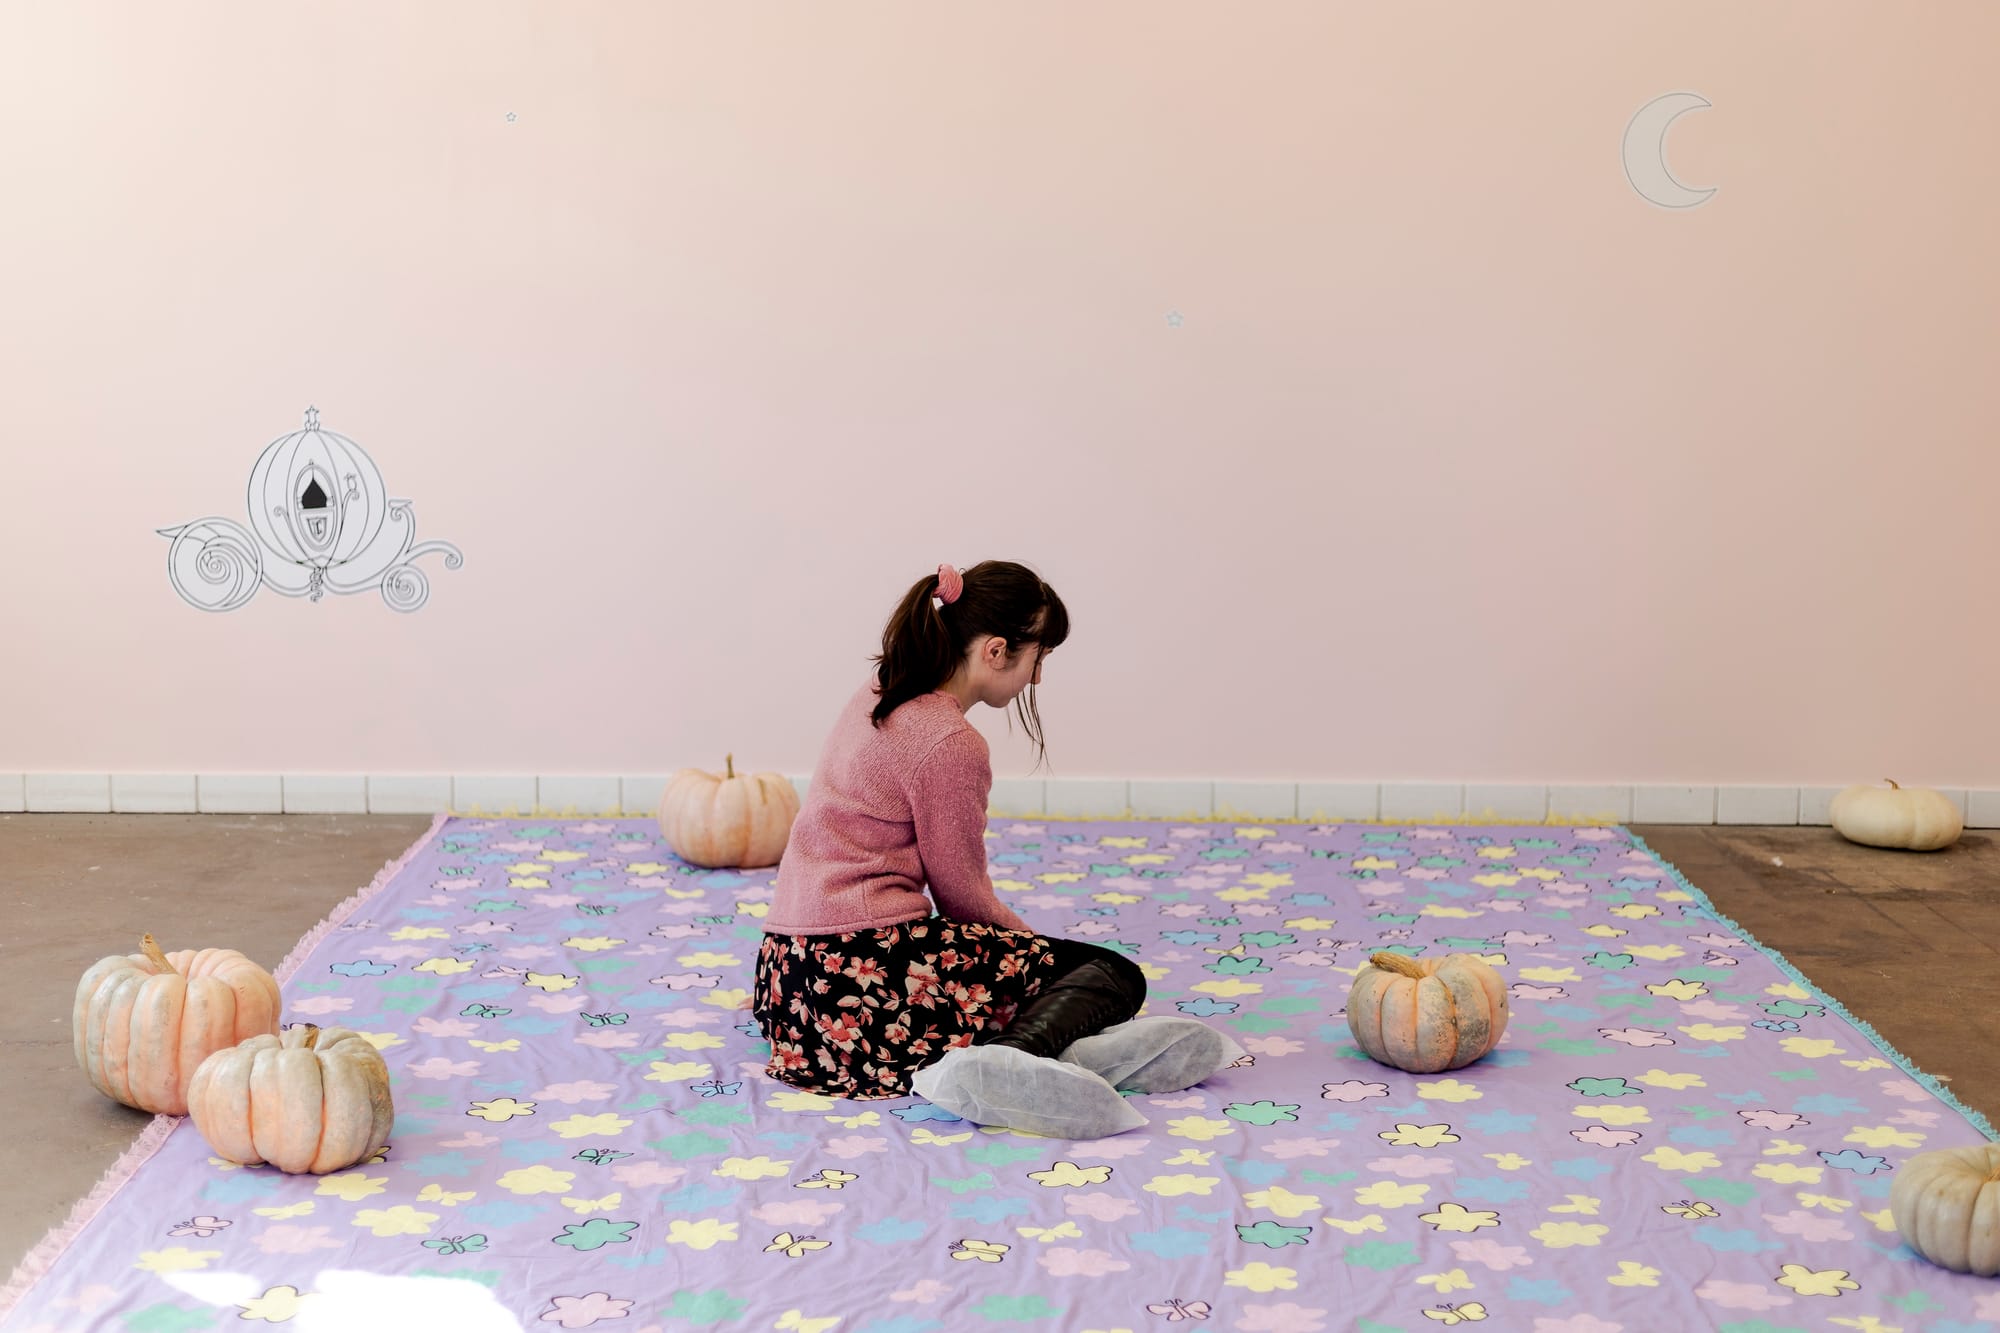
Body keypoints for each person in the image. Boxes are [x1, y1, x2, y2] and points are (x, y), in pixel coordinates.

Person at [752, 560, 1241, 1139]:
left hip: (793, 984)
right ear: (996, 651)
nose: (1036, 679)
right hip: (867, 978)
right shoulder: (949, 741)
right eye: (1041, 658)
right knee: (1107, 973)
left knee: (1016, 974)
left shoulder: (884, 686)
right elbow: (961, 896)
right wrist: (1038, 957)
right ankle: (1005, 1062)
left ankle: (1054, 1052)